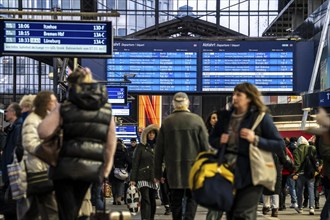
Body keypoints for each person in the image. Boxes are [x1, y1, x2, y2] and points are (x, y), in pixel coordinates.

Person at [38, 67, 117, 220]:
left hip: (65, 167)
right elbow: (110, 142)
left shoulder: (65, 107)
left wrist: (56, 115)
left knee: (67, 211)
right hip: (90, 169)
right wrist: (106, 168)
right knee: (74, 206)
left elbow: (43, 132)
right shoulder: (106, 109)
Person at [209, 82, 285, 220]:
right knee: (231, 215)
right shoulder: (225, 117)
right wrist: (220, 140)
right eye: (233, 94)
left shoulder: (260, 117)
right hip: (227, 174)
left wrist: (255, 139)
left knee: (244, 215)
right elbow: (212, 139)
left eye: (239, 94)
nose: (234, 97)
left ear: (249, 97)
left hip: (252, 175)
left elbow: (279, 145)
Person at [154, 92, 209, 220]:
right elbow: (206, 148)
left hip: (174, 171)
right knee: (192, 199)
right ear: (188, 103)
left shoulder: (167, 122)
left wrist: (157, 173)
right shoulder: (197, 120)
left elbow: (159, 151)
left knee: (176, 200)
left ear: (173, 104)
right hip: (194, 170)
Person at [20, 91, 58, 219]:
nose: (55, 103)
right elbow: (30, 143)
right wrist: (50, 151)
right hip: (38, 169)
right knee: (50, 208)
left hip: (44, 168)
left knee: (36, 209)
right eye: (53, 101)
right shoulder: (32, 120)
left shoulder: (46, 118)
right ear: (45, 103)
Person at [130, 124, 159, 220]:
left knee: (152, 199)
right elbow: (135, 163)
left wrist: (160, 175)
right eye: (149, 133)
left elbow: (162, 162)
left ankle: (151, 217)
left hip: (154, 177)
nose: (151, 135)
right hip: (142, 176)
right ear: (146, 135)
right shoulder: (140, 147)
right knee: (145, 199)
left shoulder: (158, 147)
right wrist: (133, 179)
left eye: (153, 133)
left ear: (156, 135)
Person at [0, 103, 22, 220]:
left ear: (13, 112)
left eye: (7, 111)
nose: (5, 113)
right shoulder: (13, 127)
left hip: (12, 171)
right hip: (9, 170)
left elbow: (16, 149)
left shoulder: (17, 128)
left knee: (11, 204)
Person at [292, 136, 317, 215]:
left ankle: (300, 207)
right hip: (310, 173)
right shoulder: (312, 148)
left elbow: (297, 164)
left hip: (301, 174)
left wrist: (296, 173)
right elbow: (317, 160)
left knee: (299, 190)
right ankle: (311, 208)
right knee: (311, 189)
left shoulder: (296, 150)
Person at [111, 138, 130, 205]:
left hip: (112, 171)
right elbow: (128, 161)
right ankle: (119, 199)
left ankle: (114, 199)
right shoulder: (124, 153)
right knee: (120, 185)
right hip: (121, 171)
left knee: (113, 185)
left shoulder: (112, 153)